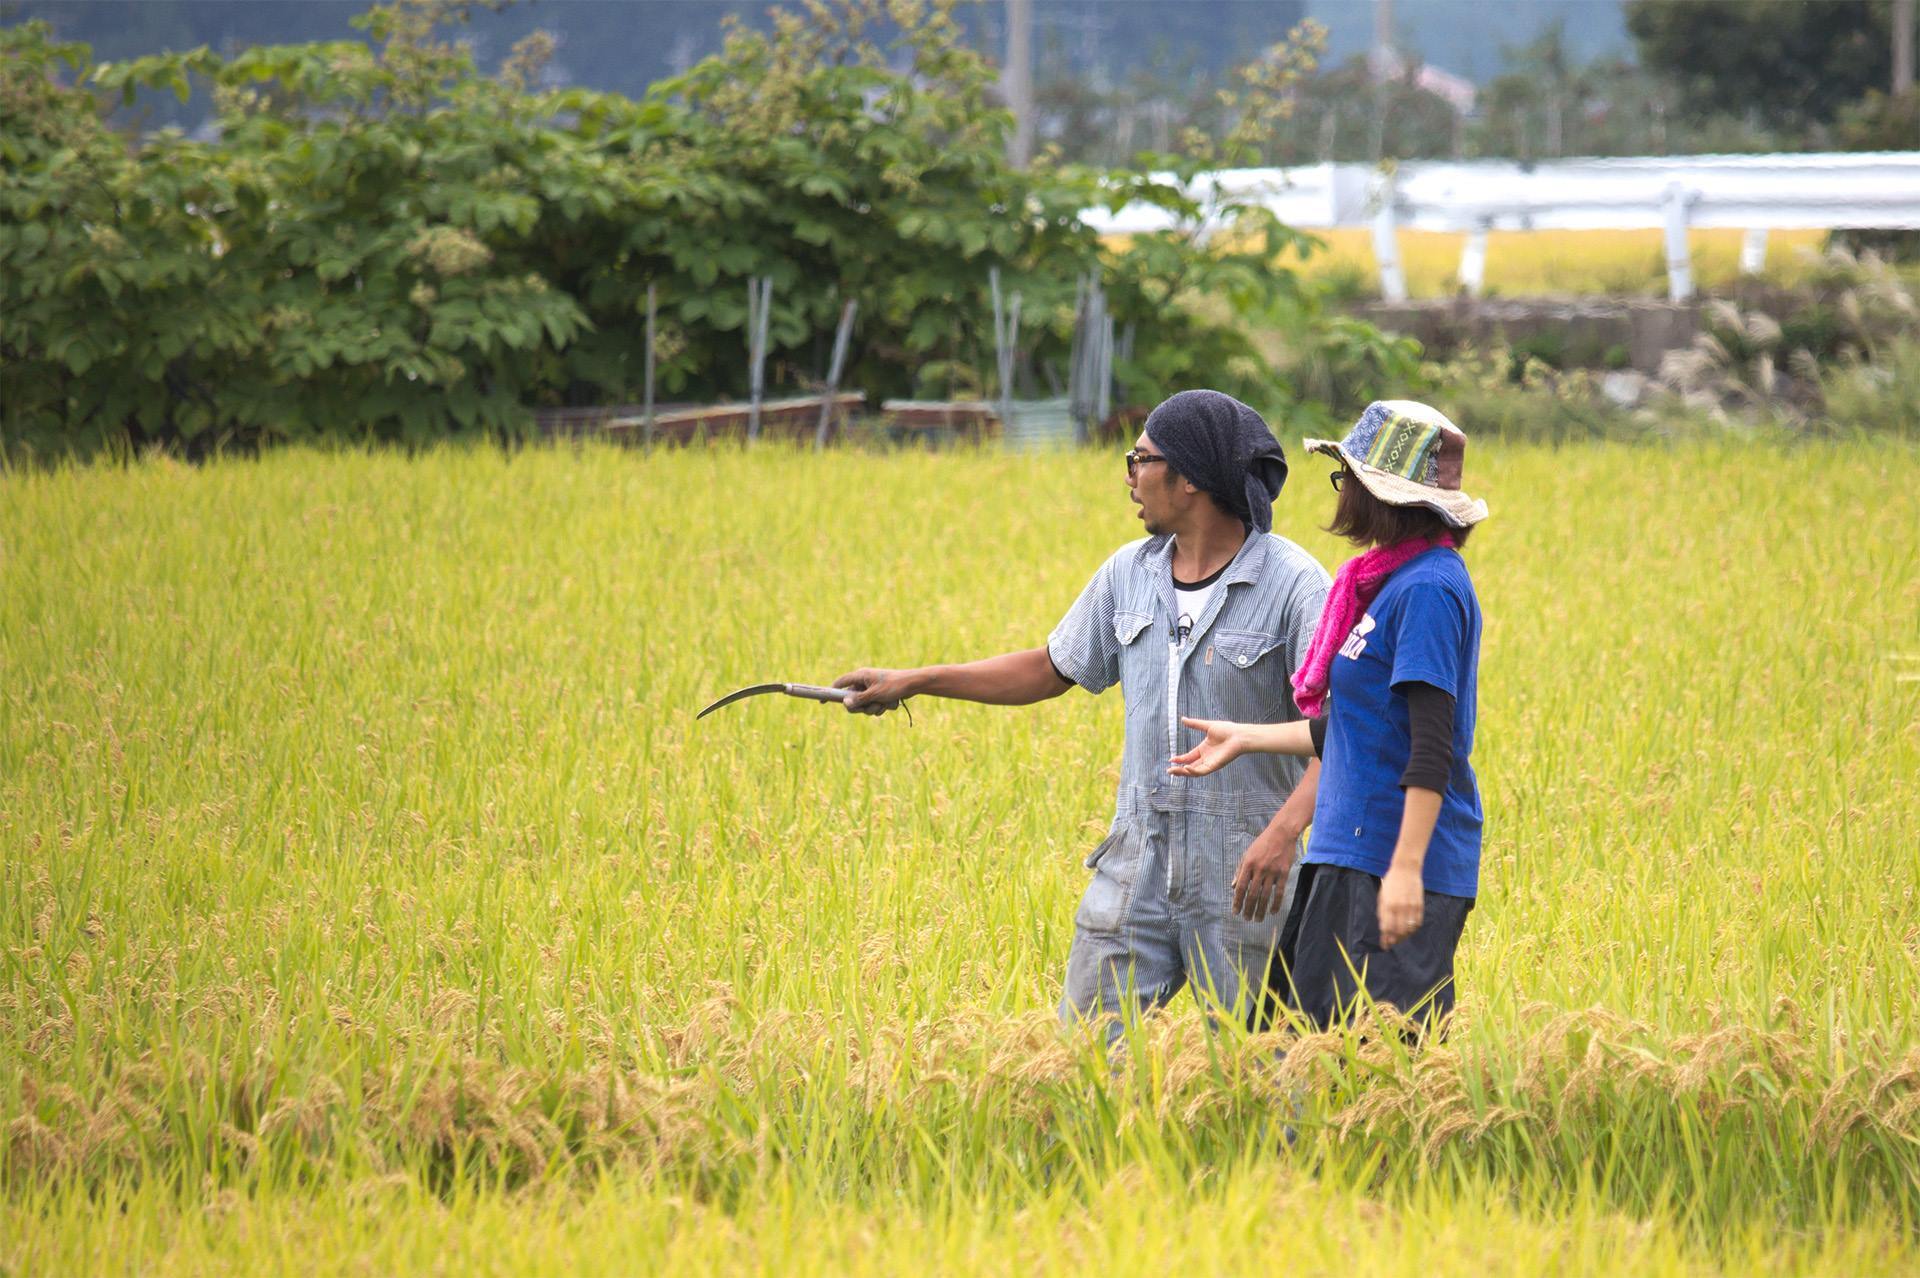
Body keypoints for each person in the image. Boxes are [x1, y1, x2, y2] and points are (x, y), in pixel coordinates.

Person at [834, 390, 1330, 1032]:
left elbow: (1343, 729)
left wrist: (1281, 836)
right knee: (1084, 1060)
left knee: (1261, 1072)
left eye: (1140, 459)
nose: (1128, 475)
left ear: (1188, 480)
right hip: (1136, 864)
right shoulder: (1129, 574)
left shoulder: (1295, 585)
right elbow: (1049, 668)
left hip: (1247, 875)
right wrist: (916, 680)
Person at [1170, 400, 1487, 1034]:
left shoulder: (1427, 589)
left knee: (1366, 1077)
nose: (1339, 492)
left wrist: (1404, 873)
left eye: (1346, 478)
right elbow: (1364, 727)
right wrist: (1248, 737)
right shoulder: (1387, 584)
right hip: (1347, 857)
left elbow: (1431, 745)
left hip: (1387, 865)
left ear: (1377, 492)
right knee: (1301, 1067)